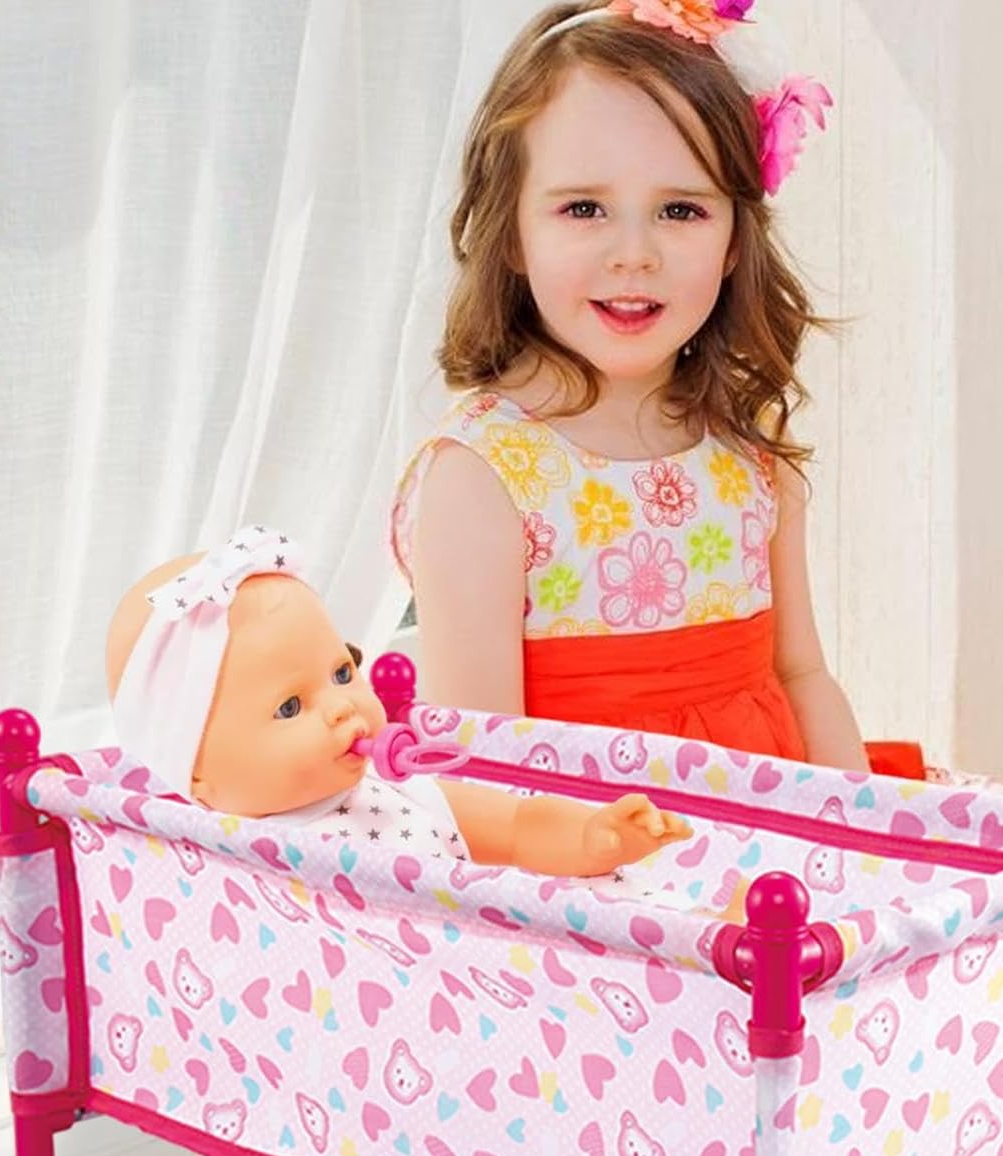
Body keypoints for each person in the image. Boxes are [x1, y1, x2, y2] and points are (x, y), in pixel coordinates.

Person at [390, 1, 929, 775]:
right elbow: (483, 768)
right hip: (583, 838)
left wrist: (860, 824)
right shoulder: (482, 478)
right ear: (511, 231)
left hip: (771, 825)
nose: (634, 253)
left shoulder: (749, 442)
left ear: (736, 239)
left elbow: (801, 674)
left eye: (681, 209)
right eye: (584, 208)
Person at [105, 526, 690, 878]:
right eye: (289, 707)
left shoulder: (396, 793)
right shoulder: (220, 865)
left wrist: (594, 837)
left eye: (342, 672)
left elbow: (516, 826)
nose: (342, 707)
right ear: (195, 772)